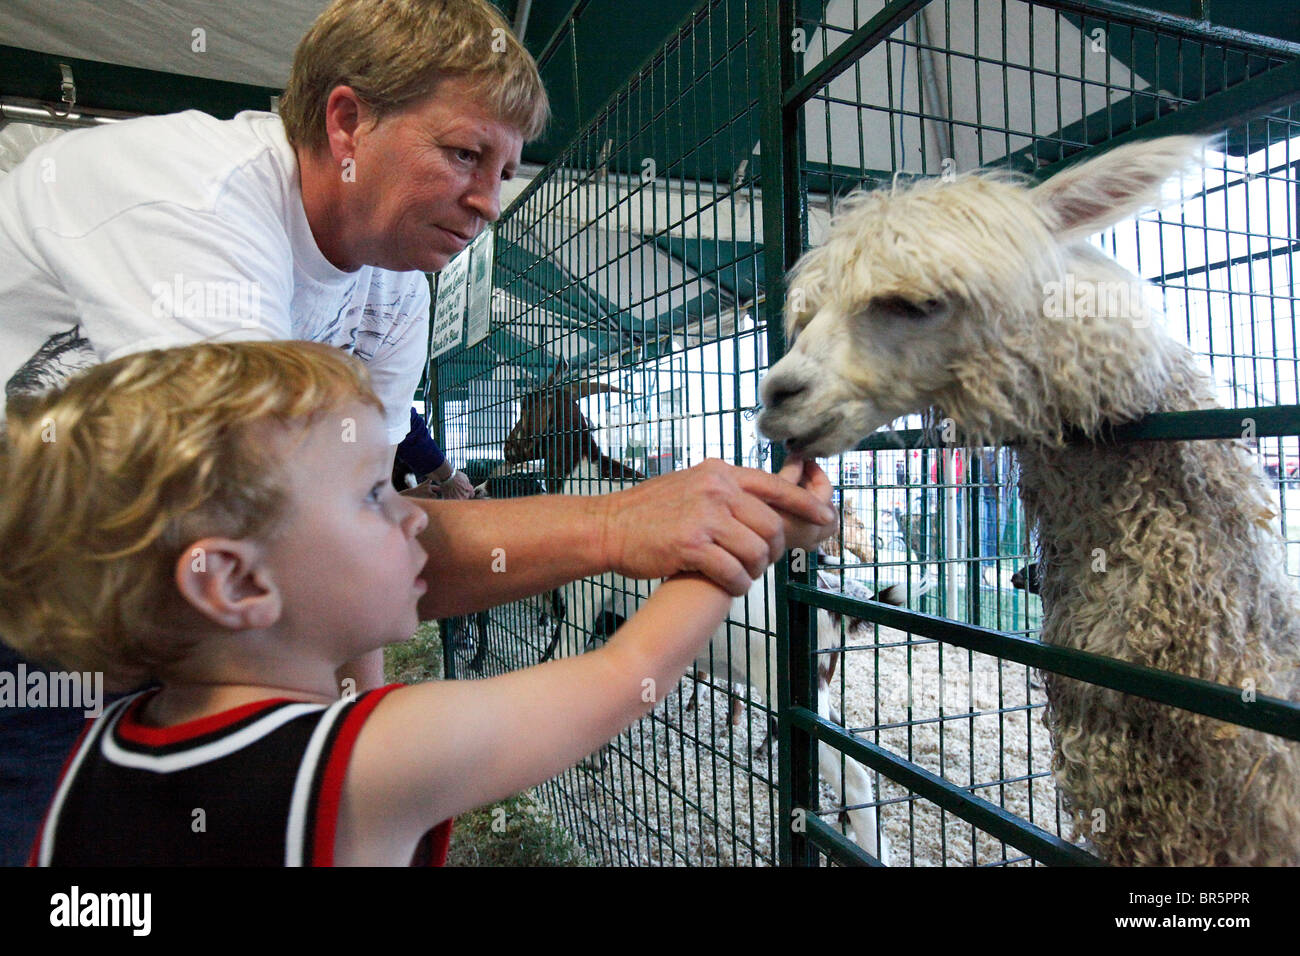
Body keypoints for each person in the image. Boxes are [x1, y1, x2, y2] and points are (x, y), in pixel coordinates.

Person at [0, 0, 836, 863]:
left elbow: (325, 530)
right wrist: (622, 524)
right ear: (348, 121)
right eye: (464, 153)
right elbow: (269, 530)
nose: (487, 202)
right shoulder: (192, 206)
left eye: (506, 170)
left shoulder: (393, 281)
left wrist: (358, 709)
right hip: (38, 601)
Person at [0, 341, 834, 865]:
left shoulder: (89, 758)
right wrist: (744, 534)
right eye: (372, 496)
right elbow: (629, 670)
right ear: (234, 582)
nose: (415, 516)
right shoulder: (368, 758)